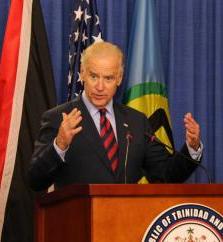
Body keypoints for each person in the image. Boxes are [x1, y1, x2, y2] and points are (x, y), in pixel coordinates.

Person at [28, 41, 202, 191]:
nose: (100, 86)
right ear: (82, 74)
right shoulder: (59, 118)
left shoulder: (136, 122)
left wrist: (192, 147)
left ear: (119, 78)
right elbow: (35, 181)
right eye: (94, 76)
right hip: (78, 223)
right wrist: (59, 145)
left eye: (109, 78)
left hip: (126, 223)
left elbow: (165, 175)